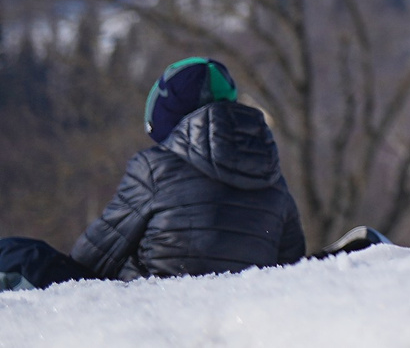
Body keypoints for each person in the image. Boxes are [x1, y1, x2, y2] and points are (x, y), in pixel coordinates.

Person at [0, 58, 304, 289]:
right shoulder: (275, 181)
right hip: (235, 317)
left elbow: (91, 260)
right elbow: (291, 268)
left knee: (16, 254)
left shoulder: (155, 168)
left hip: (150, 312)